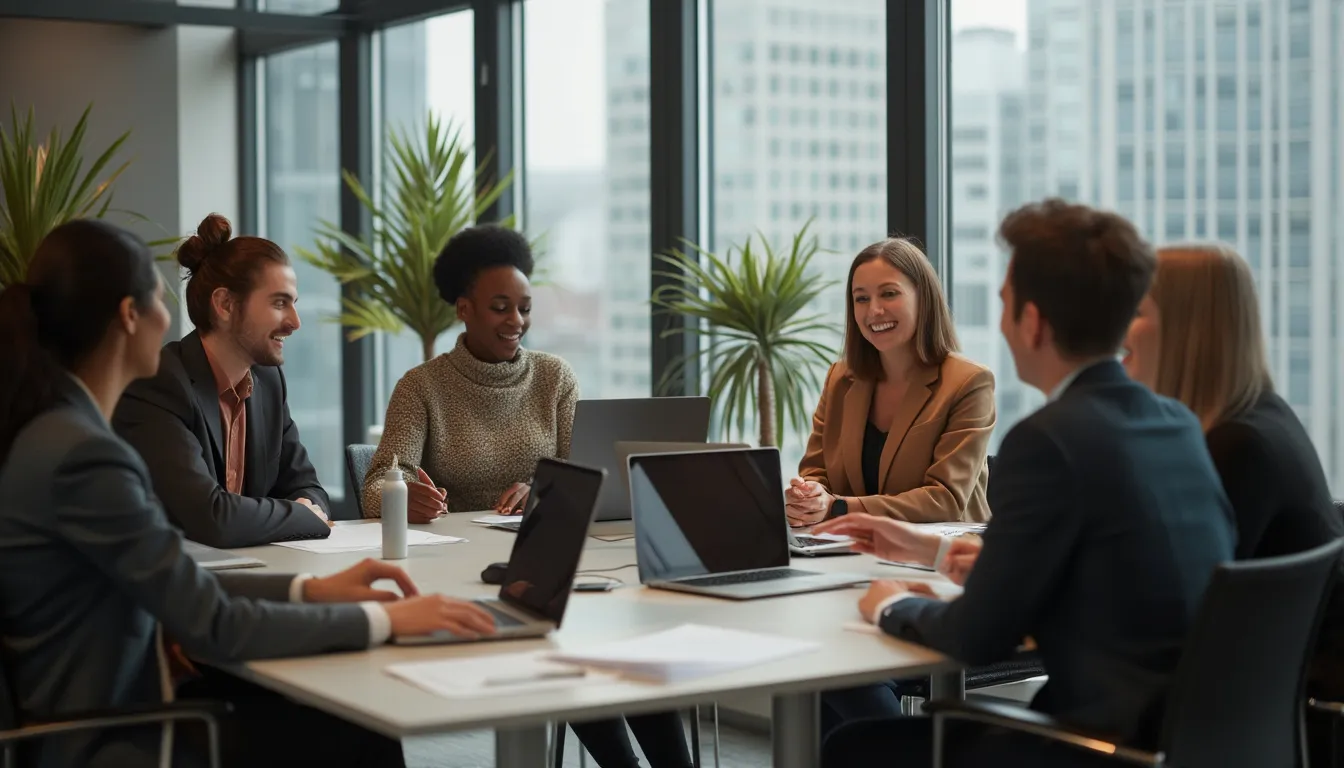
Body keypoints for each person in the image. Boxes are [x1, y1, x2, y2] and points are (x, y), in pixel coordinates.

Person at [0, 219, 496, 768]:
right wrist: (386, 620)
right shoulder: (84, 455)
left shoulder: (55, 430)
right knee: (357, 730)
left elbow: (191, 587)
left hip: (119, 706)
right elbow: (212, 618)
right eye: (158, 302)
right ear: (128, 316)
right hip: (118, 737)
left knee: (340, 720)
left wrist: (314, 590)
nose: (168, 320)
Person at [814, 199, 1236, 767]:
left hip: (1089, 745)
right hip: (1184, 738)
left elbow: (976, 637)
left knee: (851, 746)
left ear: (1032, 322)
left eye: (1005, 305)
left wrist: (889, 606)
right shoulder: (1176, 424)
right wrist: (939, 552)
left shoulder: (1048, 441)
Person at [363, 224, 693, 768]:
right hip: (467, 574)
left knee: (614, 641)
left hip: (551, 562)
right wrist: (404, 497)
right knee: (566, 643)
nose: (516, 321)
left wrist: (546, 487)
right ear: (464, 309)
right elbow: (379, 482)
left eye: (524, 307)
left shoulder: (554, 377)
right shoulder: (422, 385)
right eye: (499, 307)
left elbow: (584, 475)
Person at [1122, 242, 1344, 766]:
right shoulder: (1262, 419)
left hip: (1227, 717)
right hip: (1264, 712)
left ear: (1185, 329)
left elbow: (1158, 607)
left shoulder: (1238, 449)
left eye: (1136, 311)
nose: (1118, 328)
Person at [112, 213, 333, 548]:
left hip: (255, 573)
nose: (295, 322)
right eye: (279, 303)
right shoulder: (159, 382)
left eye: (294, 304)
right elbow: (211, 518)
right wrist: (298, 514)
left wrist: (300, 508)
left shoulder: (269, 382)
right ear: (225, 304)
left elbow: (309, 490)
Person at [785, 237, 994, 525]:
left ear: (923, 297)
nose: (874, 311)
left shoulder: (969, 382)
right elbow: (816, 472)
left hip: (939, 559)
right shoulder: (840, 379)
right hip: (853, 552)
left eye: (889, 294)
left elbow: (945, 499)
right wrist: (809, 497)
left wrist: (839, 507)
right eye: (861, 298)